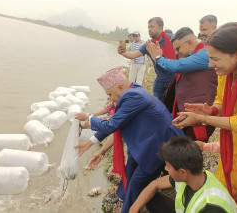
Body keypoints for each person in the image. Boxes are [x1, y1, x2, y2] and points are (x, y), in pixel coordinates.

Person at [75, 67, 184, 213]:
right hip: (146, 141)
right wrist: (90, 142)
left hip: (158, 145)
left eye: (110, 95)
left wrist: (89, 118)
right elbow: (116, 122)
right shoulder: (133, 91)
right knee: (130, 169)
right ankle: (122, 196)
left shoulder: (133, 97)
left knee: (136, 184)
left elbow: (112, 124)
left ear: (120, 87)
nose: (110, 99)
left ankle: (127, 208)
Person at [172, 22, 237, 212]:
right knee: (225, 189)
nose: (211, 65)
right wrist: (209, 110)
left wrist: (203, 119)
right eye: (209, 58)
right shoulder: (225, 72)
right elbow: (221, 101)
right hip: (233, 144)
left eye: (215, 59)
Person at [129, 136, 237, 213]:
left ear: (182, 172)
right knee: (151, 200)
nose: (165, 169)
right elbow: (155, 184)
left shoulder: (210, 206)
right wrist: (134, 208)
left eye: (168, 166)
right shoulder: (195, 176)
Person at [146, 27, 218, 142]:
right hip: (188, 110)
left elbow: (177, 66)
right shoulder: (192, 55)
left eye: (178, 48)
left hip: (200, 112)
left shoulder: (204, 54)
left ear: (189, 42)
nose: (176, 52)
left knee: (192, 147)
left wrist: (158, 58)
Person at [118, 17, 176, 101]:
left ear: (160, 27)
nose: (149, 29)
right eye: (148, 27)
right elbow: (133, 55)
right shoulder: (148, 44)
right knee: (157, 102)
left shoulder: (172, 38)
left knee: (173, 102)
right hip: (160, 79)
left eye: (152, 27)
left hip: (174, 78)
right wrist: (123, 52)